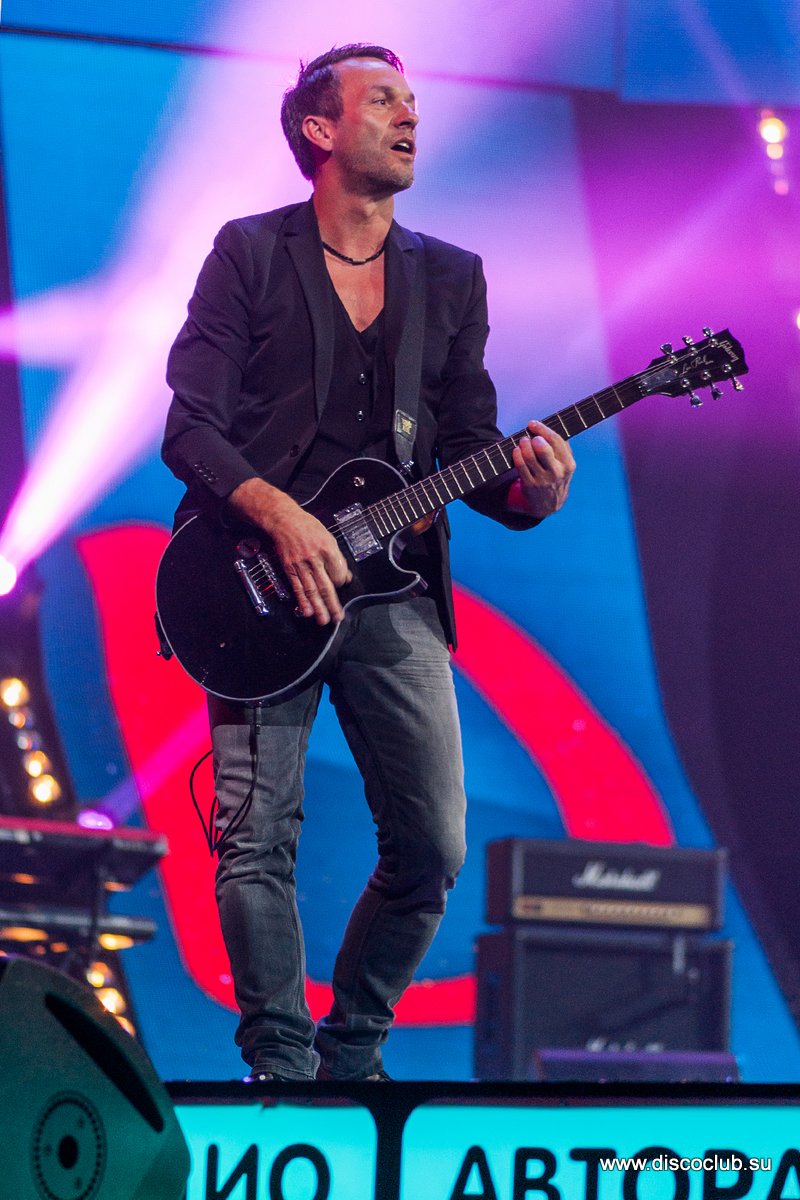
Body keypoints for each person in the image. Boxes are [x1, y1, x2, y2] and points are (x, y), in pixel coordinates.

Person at [162, 43, 575, 1082]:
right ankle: (280, 1066)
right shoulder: (249, 253)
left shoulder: (450, 276)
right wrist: (276, 515)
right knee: (256, 840)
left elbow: (468, 450)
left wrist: (528, 492)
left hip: (392, 591)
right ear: (319, 129)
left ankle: (350, 1055)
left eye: (413, 101)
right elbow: (190, 428)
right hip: (252, 582)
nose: (409, 115)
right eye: (383, 99)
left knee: (433, 848)